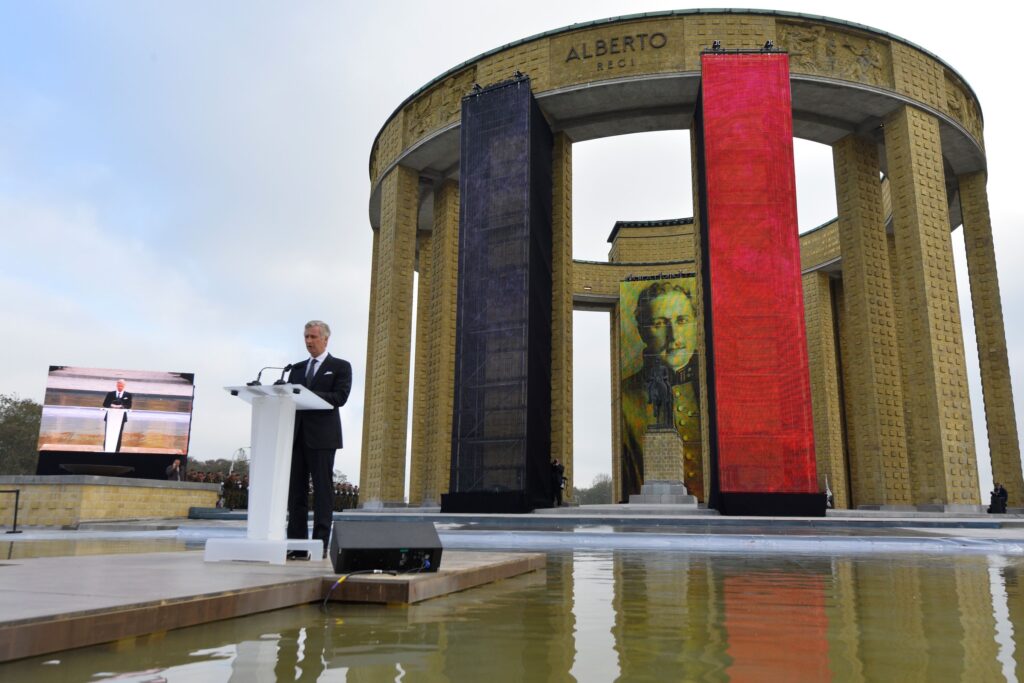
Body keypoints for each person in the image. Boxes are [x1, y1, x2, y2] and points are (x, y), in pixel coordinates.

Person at [620, 279, 702, 499]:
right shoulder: (626, 397)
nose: (674, 336)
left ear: (696, 323)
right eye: (659, 324)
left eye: (682, 320)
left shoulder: (715, 390)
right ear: (642, 332)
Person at [286, 320, 352, 559]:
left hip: (323, 439)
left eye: (313, 337)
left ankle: (320, 544)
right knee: (296, 493)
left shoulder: (340, 366)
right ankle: (296, 544)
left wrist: (308, 394)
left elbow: (340, 396)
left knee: (323, 493)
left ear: (325, 339)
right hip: (295, 437)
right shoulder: (296, 368)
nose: (309, 341)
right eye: (306, 336)